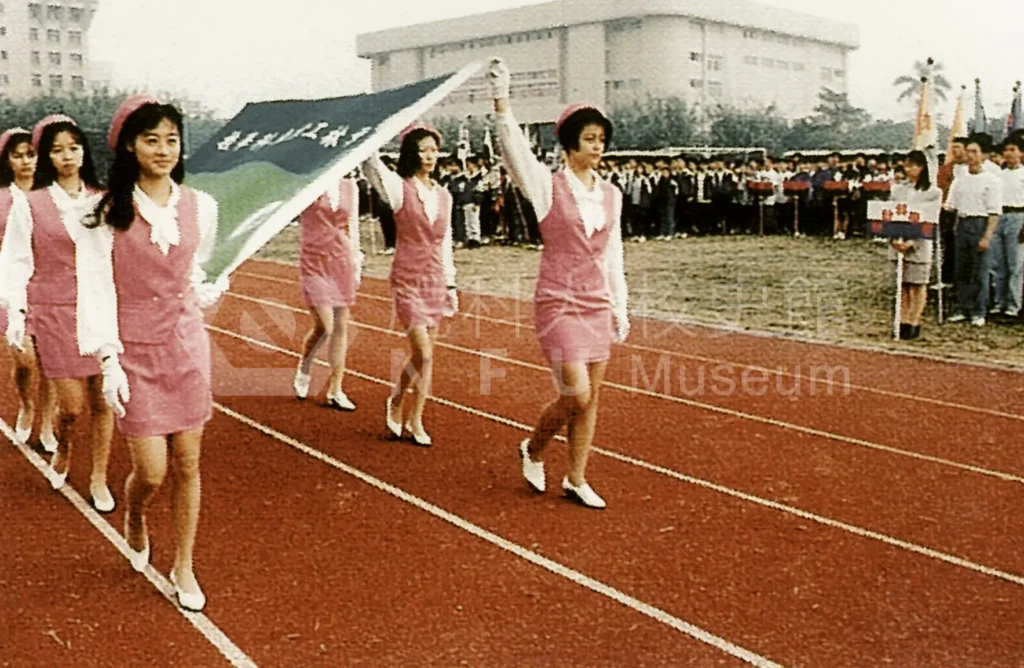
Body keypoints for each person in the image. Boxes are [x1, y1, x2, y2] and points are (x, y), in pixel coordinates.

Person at [76, 95, 226, 612]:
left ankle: (183, 563)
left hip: (186, 345)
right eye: (151, 139)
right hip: (134, 353)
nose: (163, 149)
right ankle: (136, 512)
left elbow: (193, 270)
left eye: (171, 139)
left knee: (188, 464)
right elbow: (96, 290)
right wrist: (109, 361)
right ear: (129, 147)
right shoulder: (102, 214)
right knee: (153, 472)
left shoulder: (201, 207)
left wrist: (207, 289)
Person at [488, 58, 629, 509]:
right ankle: (533, 447)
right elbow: (514, 150)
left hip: (596, 302)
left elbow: (613, 254)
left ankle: (576, 477)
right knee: (576, 394)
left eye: (602, 140)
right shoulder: (548, 187)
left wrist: (620, 308)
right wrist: (502, 100)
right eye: (589, 140)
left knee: (591, 401)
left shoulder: (612, 194)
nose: (597, 147)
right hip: (558, 302)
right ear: (569, 145)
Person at [0, 114, 115, 510]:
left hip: (99, 309)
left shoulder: (103, 199)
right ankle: (64, 446)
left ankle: (99, 476)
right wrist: (15, 312)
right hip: (53, 311)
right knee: (71, 407)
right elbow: (15, 259)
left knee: (104, 401)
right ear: (48, 156)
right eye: (57, 150)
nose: (68, 156)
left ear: (84, 150)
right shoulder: (30, 204)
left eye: (74, 147)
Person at [362, 123, 457, 447]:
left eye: (434, 149)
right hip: (407, 278)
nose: (430, 155)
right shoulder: (400, 189)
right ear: (411, 153)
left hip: (435, 279)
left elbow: (446, 242)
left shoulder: (444, 196)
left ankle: (415, 417)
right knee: (423, 352)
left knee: (427, 356)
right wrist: (371, 131)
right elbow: (372, 167)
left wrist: (451, 284)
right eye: (423, 149)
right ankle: (398, 399)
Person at [0, 127, 58, 450]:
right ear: (7, 159)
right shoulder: (1, 198)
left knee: (50, 361)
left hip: (48, 287)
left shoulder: (51, 195)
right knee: (24, 361)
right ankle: (26, 404)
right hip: (10, 287)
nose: (25, 161)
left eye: (30, 154)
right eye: (17, 155)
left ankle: (48, 422)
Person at [292, 176, 363, 410]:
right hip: (314, 259)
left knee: (341, 325)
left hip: (342, 258)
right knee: (325, 325)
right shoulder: (308, 183)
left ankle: (336, 388)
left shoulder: (350, 187)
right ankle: (305, 364)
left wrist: (357, 261)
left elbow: (353, 226)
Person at [944, 136, 1003, 326]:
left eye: (974, 152)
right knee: (962, 270)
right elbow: (950, 206)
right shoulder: (960, 179)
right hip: (962, 224)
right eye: (968, 151)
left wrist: (986, 236)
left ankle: (979, 311)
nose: (969, 156)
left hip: (981, 224)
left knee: (980, 271)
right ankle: (963, 307)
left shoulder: (992, 180)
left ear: (983, 155)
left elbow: (994, 212)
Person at [888, 151, 942, 340]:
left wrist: (913, 241)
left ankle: (914, 320)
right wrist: (894, 239)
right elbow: (890, 214)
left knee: (917, 285)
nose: (910, 169)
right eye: (907, 165)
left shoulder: (933, 192)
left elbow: (930, 219)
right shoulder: (898, 190)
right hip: (899, 241)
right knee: (902, 284)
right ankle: (901, 320)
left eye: (915, 165)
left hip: (919, 242)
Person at [989, 137, 1024, 318]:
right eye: (1006, 150)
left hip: (1018, 216)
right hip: (999, 216)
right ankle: (999, 301)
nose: (1009, 153)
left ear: (1021, 153)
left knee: (1015, 264)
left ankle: (1013, 305)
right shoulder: (998, 176)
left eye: (1013, 149)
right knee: (997, 264)